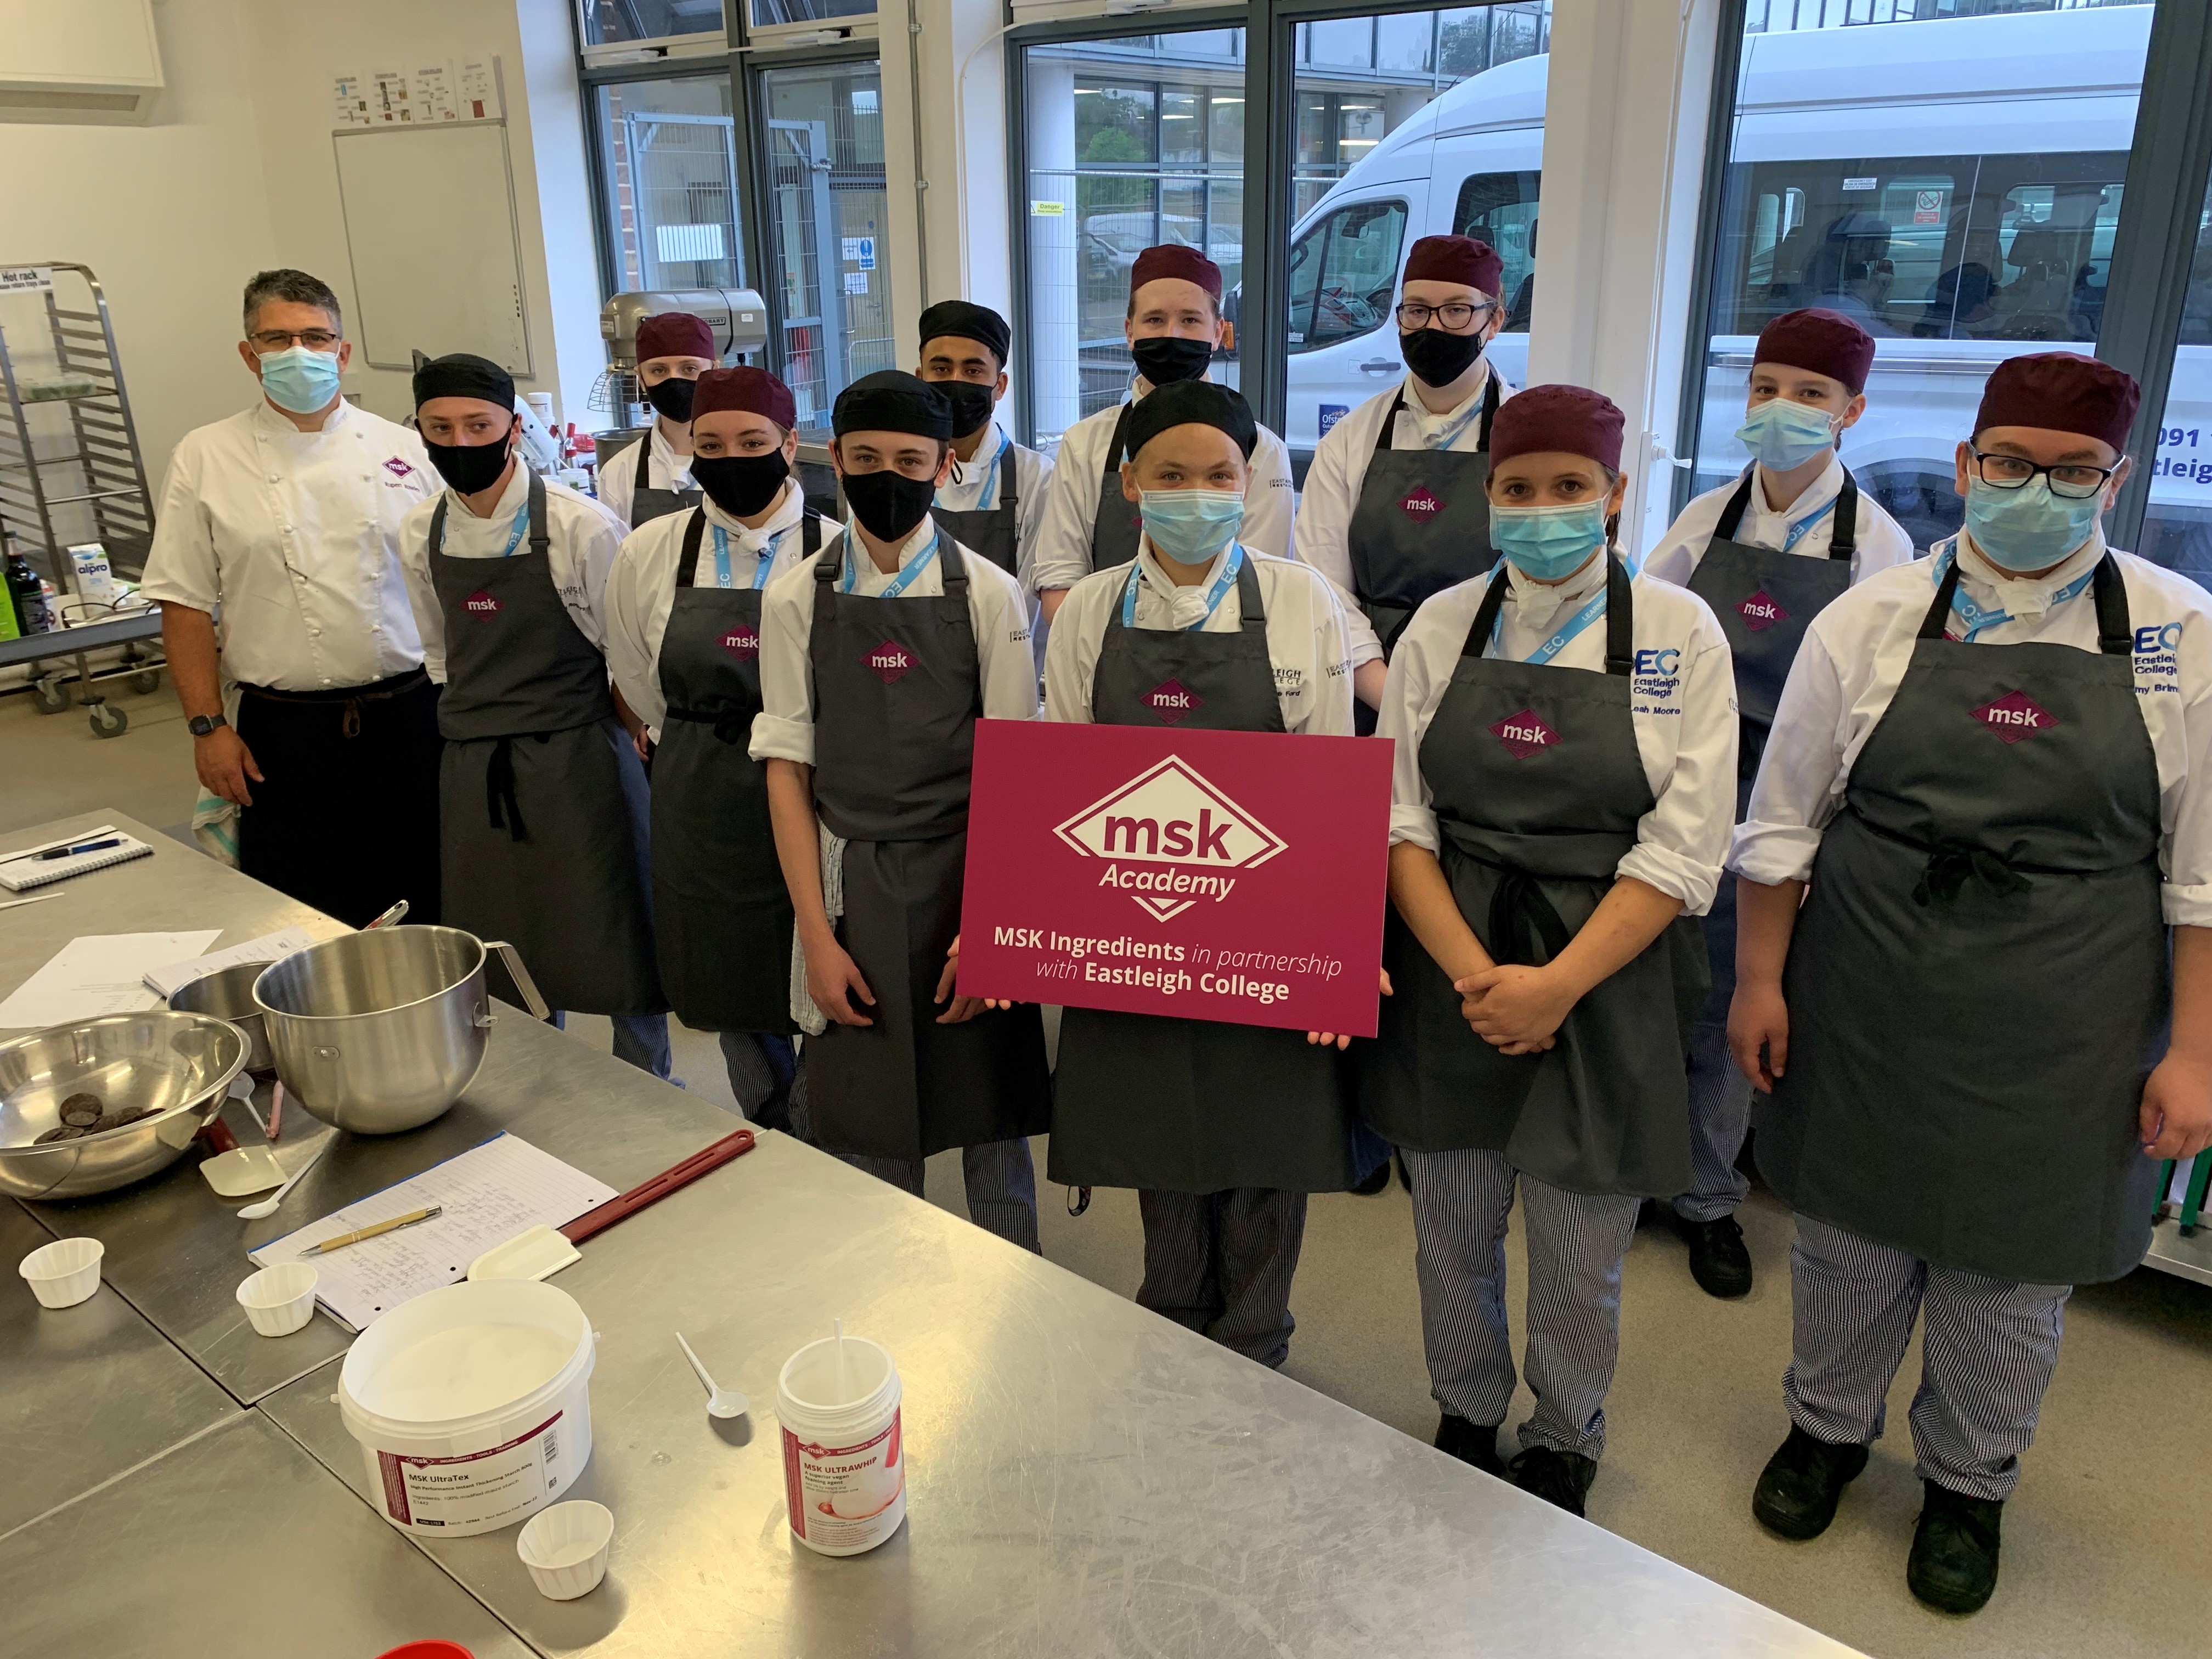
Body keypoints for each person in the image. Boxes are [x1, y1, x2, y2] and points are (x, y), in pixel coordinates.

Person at [1730, 352, 2212, 1615]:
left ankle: (1968, 1484)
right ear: (1966, 465)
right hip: (1869, 989)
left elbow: (2205, 881)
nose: (2035, 491)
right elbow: (1780, 830)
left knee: (2011, 1272)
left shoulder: (2181, 635)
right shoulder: (1873, 618)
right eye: (2010, 464)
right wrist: (1760, 983)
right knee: (1846, 1242)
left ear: (2115, 480)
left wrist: (2196, 1053)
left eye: (2071, 473)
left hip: (2071, 1016)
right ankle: (1826, 1429)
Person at [1359, 385, 1735, 1516]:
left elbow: (1686, 847)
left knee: (1581, 1239)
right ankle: (1465, 1405)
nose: (1543, 508)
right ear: (1488, 496)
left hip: (1606, 971)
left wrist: (1558, 985)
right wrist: (1475, 976)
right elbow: (1398, 819)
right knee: (1451, 1222)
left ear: (1614, 495)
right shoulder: (1441, 625)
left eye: (1569, 486)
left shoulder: (1678, 631)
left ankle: (1567, 1433)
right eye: (1518, 489)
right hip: (1455, 953)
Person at [1042, 381, 1368, 1370]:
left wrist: (1337, 958)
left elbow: (1333, 791)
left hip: (1269, 937)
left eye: (1219, 476)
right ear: (1130, 483)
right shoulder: (1089, 607)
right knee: (1160, 1141)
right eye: (1172, 475)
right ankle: (1174, 1329)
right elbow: (1061, 783)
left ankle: (1257, 1344)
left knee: (1264, 1150)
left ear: (1249, 483)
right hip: (1134, 926)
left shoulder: (1302, 600)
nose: (1197, 494)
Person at [1642, 308, 1915, 1300]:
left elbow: (1877, 700)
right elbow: (1644, 634)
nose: (1780, 408)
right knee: (1654, 985)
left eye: (1808, 394)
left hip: (1785, 801)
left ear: (1851, 411)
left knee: (1731, 1003)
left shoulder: (1876, 543)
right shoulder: (1705, 518)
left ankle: (1708, 1198)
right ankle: (1634, 1168)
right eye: (1765, 388)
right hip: (1683, 781)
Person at [752, 371, 1050, 1249]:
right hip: (853, 878)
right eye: (868, 458)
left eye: (911, 461)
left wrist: (991, 929)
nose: (889, 476)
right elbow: (787, 772)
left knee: (990, 1109)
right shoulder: (794, 596)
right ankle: (890, 1282)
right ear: (835, 461)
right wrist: (816, 937)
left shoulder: (989, 593)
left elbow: (1017, 773)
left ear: (944, 466)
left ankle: (1015, 1274)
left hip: (970, 870)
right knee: (868, 1110)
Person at [397, 354, 672, 1078]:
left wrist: (628, 738)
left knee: (615, 918)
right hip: (475, 760)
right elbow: (440, 655)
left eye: (478, 425)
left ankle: (648, 1078)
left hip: (579, 753)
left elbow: (626, 653)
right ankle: (532, 1080)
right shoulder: (419, 532)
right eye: (440, 428)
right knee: (502, 931)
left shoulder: (581, 527)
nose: (460, 442)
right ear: (419, 431)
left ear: (514, 428)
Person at [143, 268, 443, 927]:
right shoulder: (205, 455)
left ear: (344, 351)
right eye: (277, 339)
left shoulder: (408, 449)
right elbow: (183, 603)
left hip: (411, 716)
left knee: (427, 897)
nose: (298, 352)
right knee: (299, 911)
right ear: (249, 355)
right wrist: (207, 728)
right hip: (283, 734)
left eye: (315, 337)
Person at [606, 366, 826, 1127]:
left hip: (817, 785)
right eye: (711, 445)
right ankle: (769, 1118)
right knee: (729, 970)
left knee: (820, 957)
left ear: (790, 445)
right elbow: (636, 677)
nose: (732, 459)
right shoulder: (650, 551)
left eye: (752, 442)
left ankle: (824, 1121)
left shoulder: (837, 550)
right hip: (700, 788)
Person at [1294, 234, 1516, 696]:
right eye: (1417, 310)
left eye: (1456, 310)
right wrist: (1389, 696)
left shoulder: (1524, 440)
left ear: (1494, 320)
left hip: (1489, 688)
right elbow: (1326, 589)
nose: (1433, 326)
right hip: (1366, 688)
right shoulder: (1351, 439)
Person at [1031, 246, 1297, 622]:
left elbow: (1265, 590)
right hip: (1105, 650)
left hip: (1227, 652)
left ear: (1218, 332)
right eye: (1155, 320)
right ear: (1130, 331)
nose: (1172, 335)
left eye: (1190, 320)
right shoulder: (1085, 445)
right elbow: (1060, 590)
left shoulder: (1263, 450)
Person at [913, 301, 1053, 595]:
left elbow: (1031, 596)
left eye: (973, 371)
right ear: (920, 379)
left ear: (1000, 386)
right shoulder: (899, 472)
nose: (956, 381)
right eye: (941, 369)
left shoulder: (1038, 478)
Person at [593, 312, 717, 532]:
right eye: (659, 370)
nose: (674, 380)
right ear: (641, 379)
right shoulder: (619, 472)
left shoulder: (741, 464)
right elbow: (617, 551)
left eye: (689, 369)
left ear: (714, 371)